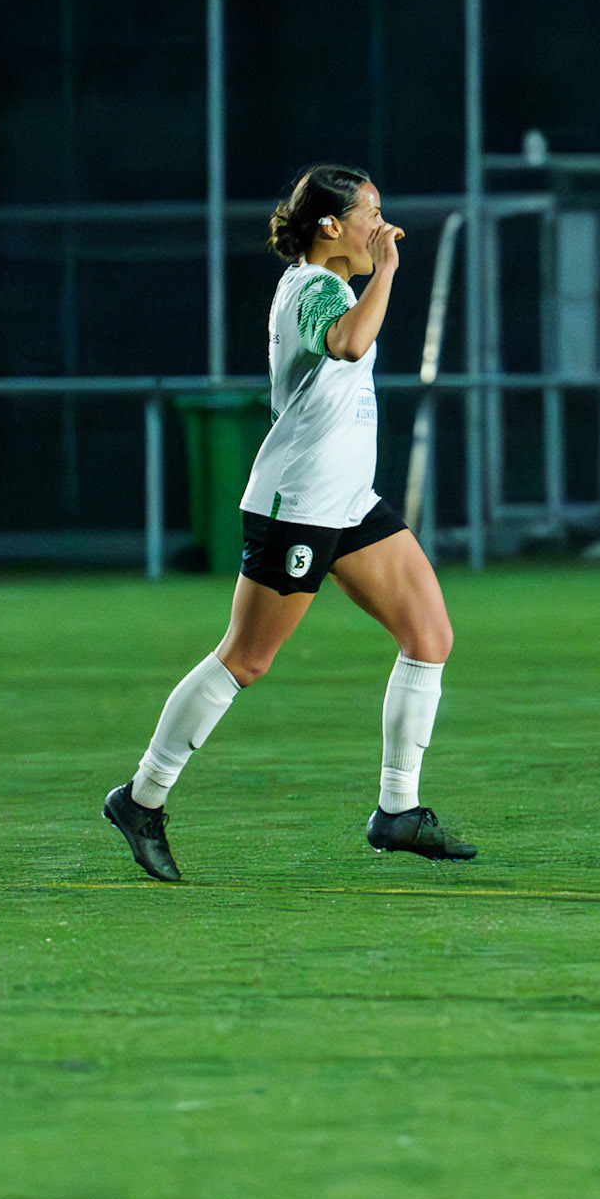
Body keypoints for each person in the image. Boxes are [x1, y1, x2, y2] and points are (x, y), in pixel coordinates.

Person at [103, 163, 477, 882]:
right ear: (330, 225)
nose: (383, 226)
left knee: (429, 636)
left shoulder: (331, 284)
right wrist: (388, 273)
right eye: (371, 213)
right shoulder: (314, 286)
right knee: (245, 660)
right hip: (297, 503)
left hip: (348, 501)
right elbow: (346, 343)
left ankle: (397, 810)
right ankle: (140, 798)